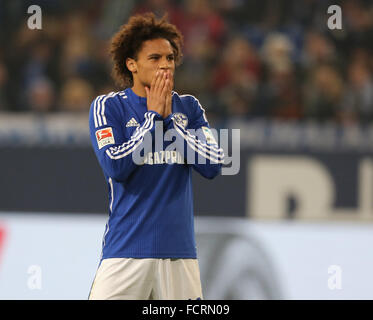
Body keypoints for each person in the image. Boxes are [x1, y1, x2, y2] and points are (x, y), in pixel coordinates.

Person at [88, 13, 224, 300]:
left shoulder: (188, 108)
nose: (166, 64)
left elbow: (214, 164)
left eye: (170, 57)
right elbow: (115, 165)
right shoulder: (108, 107)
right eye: (155, 58)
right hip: (125, 252)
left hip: (179, 255)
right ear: (131, 64)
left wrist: (171, 124)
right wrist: (152, 120)